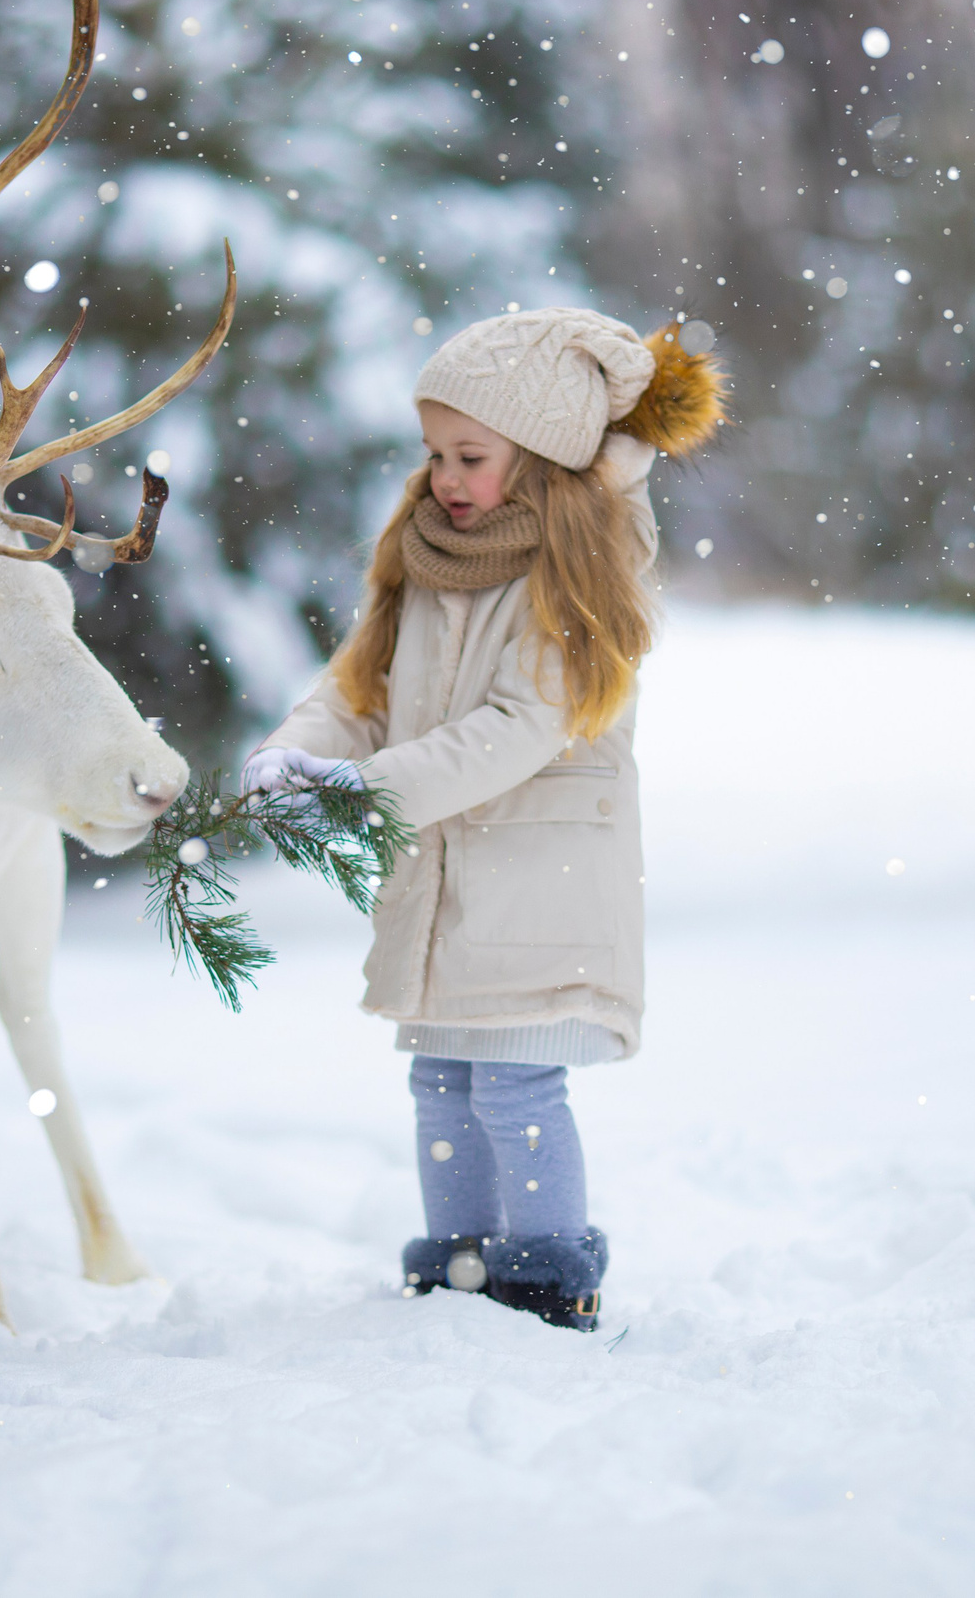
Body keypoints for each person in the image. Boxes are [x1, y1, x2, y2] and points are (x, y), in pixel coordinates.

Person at [242, 307, 726, 1331]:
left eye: (470, 455)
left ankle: (546, 1278)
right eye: (434, 453)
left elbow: (515, 730)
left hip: (540, 885)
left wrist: (360, 798)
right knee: (442, 1086)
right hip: (451, 882)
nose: (446, 478)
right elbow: (361, 691)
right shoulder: (427, 559)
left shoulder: (576, 572)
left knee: (514, 1088)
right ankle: (458, 1270)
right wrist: (299, 751)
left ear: (542, 457)